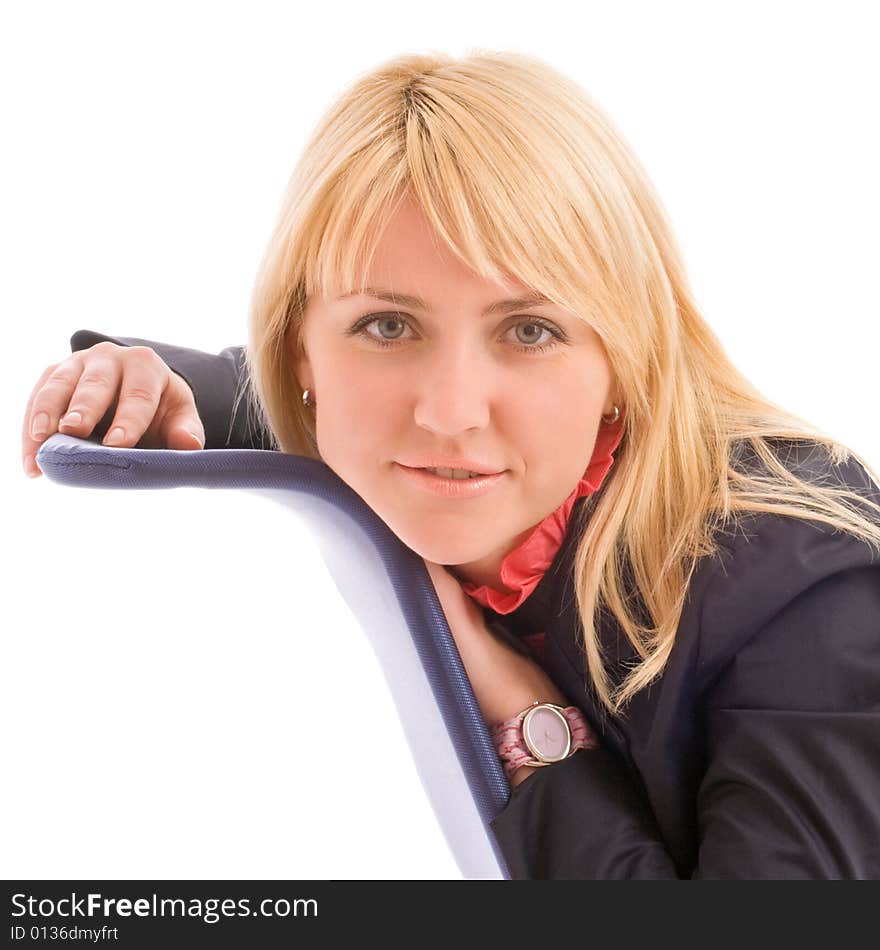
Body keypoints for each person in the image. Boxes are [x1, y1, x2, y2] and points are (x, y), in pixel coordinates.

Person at [21, 50, 880, 879]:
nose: (449, 412)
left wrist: (528, 721)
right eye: (389, 327)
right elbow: (249, 390)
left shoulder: (801, 586)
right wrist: (140, 374)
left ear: (626, 363)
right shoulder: (337, 400)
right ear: (301, 354)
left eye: (531, 331)